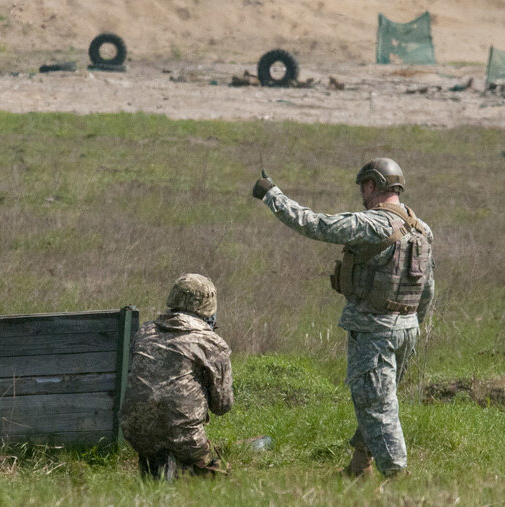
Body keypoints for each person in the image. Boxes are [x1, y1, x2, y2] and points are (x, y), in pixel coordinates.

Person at [251, 158, 435, 477]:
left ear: (371, 186)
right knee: (378, 398)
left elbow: (316, 225)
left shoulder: (371, 224)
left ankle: (397, 478)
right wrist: (413, 324)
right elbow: (427, 287)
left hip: (374, 330)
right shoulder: (422, 228)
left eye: (363, 187)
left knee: (377, 408)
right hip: (407, 328)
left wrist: (273, 196)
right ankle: (358, 469)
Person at [119, 273, 234, 479]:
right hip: (187, 439)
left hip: (136, 432)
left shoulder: (144, 332)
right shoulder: (212, 343)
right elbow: (222, 406)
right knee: (220, 479)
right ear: (209, 306)